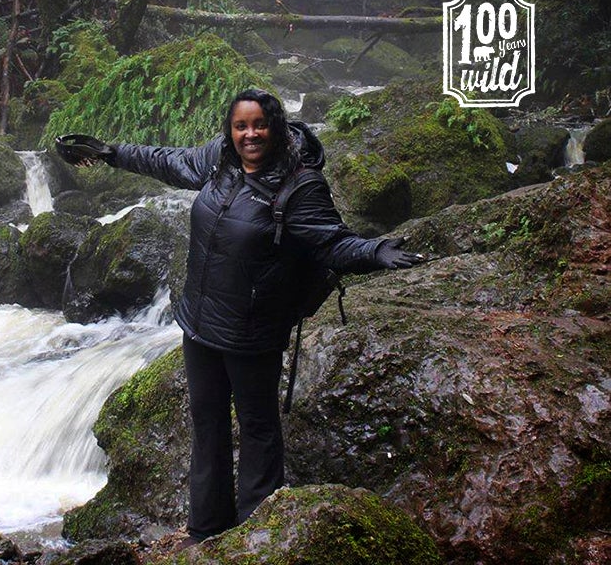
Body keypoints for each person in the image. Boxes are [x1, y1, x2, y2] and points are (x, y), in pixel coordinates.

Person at [56, 88, 424, 545]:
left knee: (257, 428)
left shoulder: (300, 185)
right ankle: (206, 529)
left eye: (258, 125)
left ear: (276, 127)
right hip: (200, 322)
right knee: (207, 423)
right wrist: (112, 153)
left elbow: (331, 242)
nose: (250, 134)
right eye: (240, 126)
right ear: (230, 131)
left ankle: (254, 534)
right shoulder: (219, 160)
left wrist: (374, 250)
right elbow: (168, 161)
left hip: (253, 331)